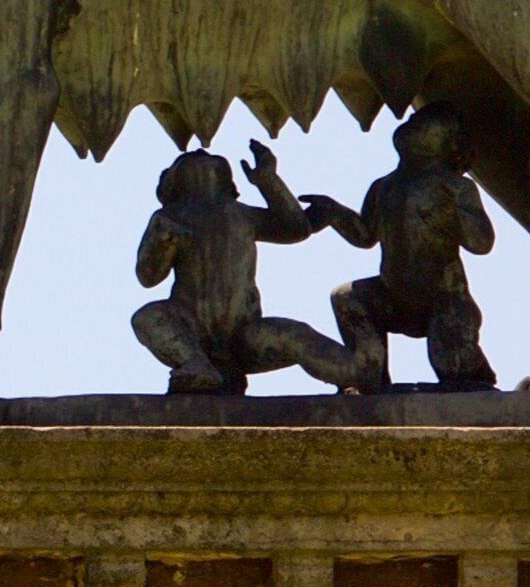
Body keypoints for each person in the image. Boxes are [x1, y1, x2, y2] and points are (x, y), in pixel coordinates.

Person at [133, 142, 362, 394]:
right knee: (148, 317)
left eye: (207, 153)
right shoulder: (167, 217)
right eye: (185, 159)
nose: (200, 152)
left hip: (244, 334)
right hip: (190, 327)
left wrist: (268, 181)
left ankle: (356, 375)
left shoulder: (241, 214)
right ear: (172, 184)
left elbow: (296, 229)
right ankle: (195, 364)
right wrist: (162, 242)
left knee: (295, 335)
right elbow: (148, 277)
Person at [311, 104, 499, 392]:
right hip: (392, 296)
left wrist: (451, 216)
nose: (413, 123)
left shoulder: (456, 186)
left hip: (444, 299)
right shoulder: (383, 186)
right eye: (413, 120)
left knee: (457, 373)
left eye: (425, 122)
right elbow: (365, 236)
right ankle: (368, 375)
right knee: (347, 298)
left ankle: (475, 370)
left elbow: (482, 243)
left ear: (450, 144)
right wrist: (335, 212)